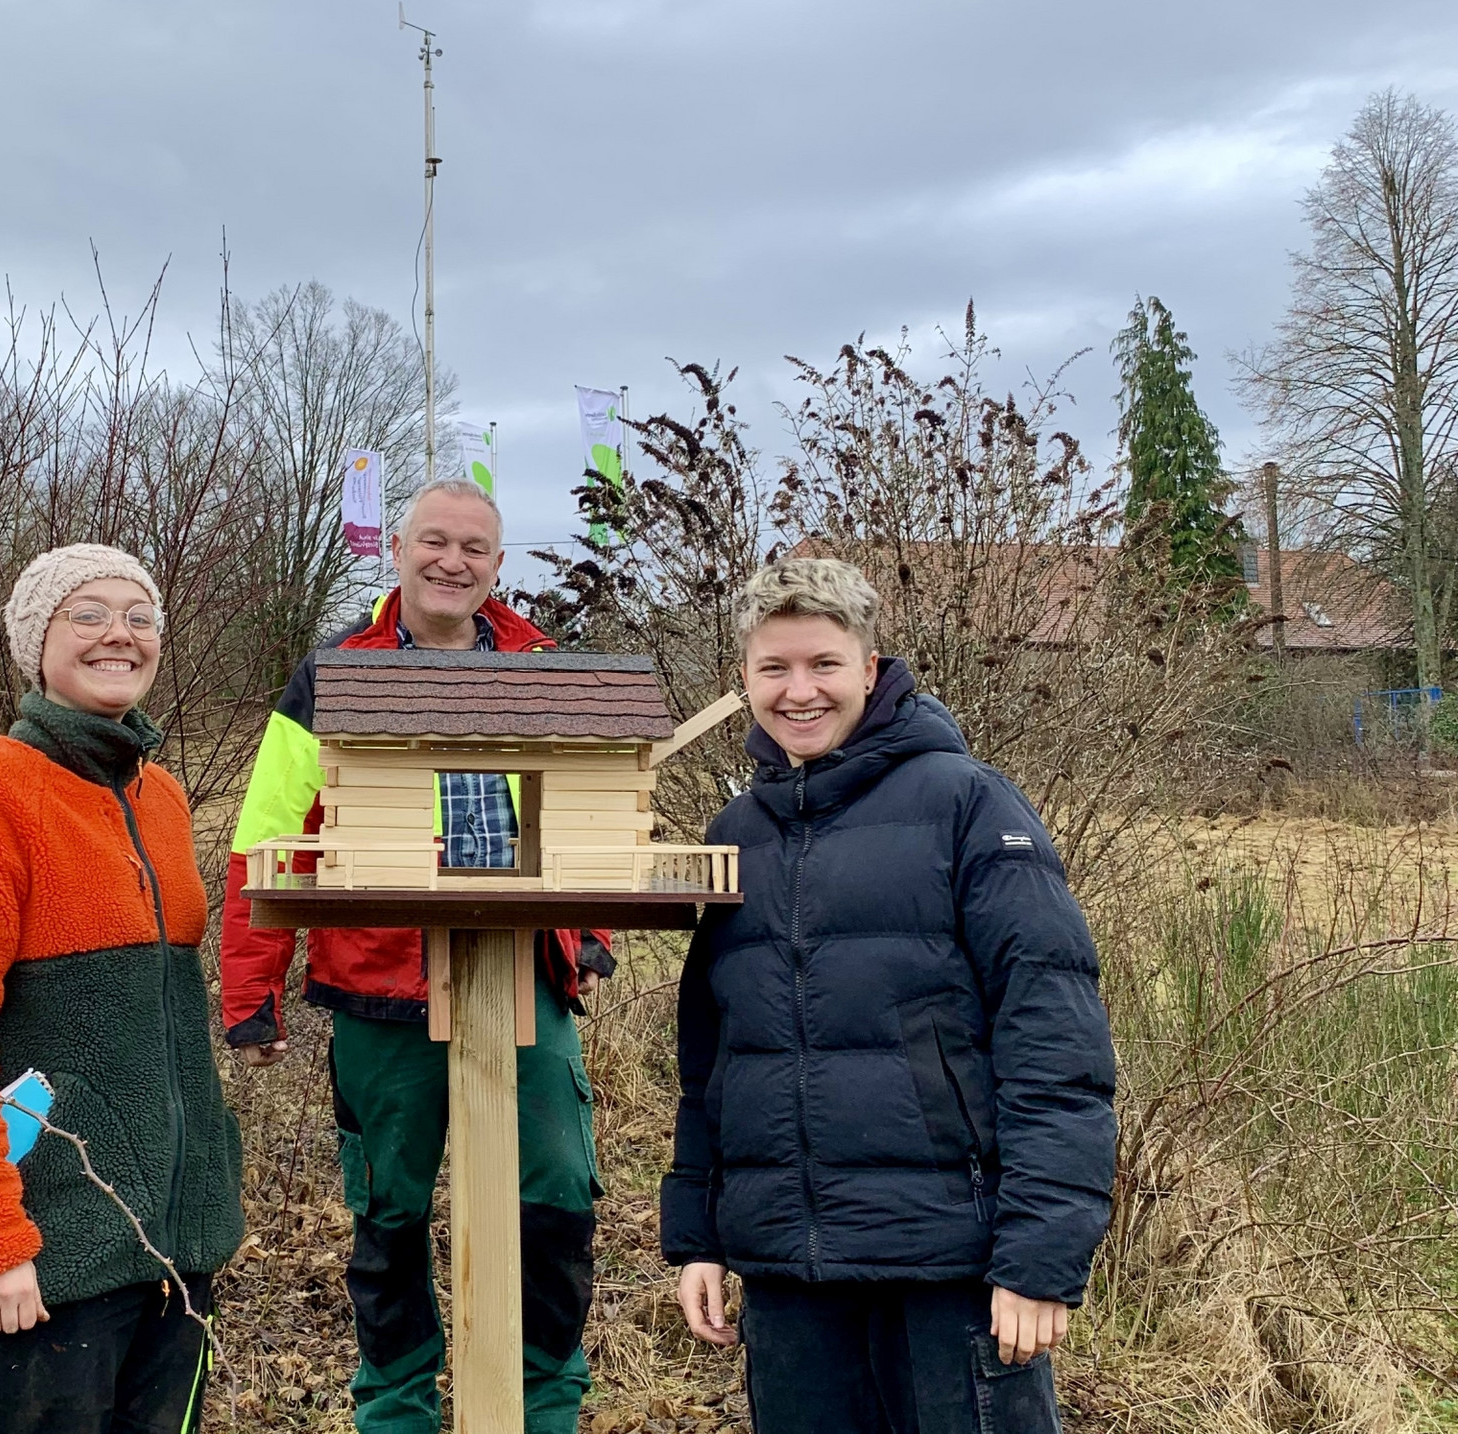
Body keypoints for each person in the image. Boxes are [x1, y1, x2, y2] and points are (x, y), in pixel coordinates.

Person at [661, 558, 1116, 1434]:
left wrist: (1040, 1258)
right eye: (774, 668)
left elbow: (1055, 1040)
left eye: (824, 664)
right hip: (789, 1274)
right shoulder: (735, 837)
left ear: (870, 668)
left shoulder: (969, 806)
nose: (800, 692)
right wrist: (699, 1235)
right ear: (744, 679)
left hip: (951, 1267)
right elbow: (714, 1056)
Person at [220, 478, 614, 1434]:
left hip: (523, 982)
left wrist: (588, 933)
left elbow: (586, 808)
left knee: (557, 1199)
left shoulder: (544, 666)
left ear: (498, 565)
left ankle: (541, 1404)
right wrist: (250, 990)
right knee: (388, 1218)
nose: (453, 561)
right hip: (375, 988)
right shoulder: (332, 677)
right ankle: (397, 1409)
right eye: (435, 541)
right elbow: (267, 834)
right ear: (396, 549)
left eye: (474, 547)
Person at [0, 543, 244, 1434]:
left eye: (139, 616)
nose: (119, 634)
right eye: (88, 614)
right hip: (40, 1270)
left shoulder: (159, 797)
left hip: (172, 1251)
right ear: (36, 640)